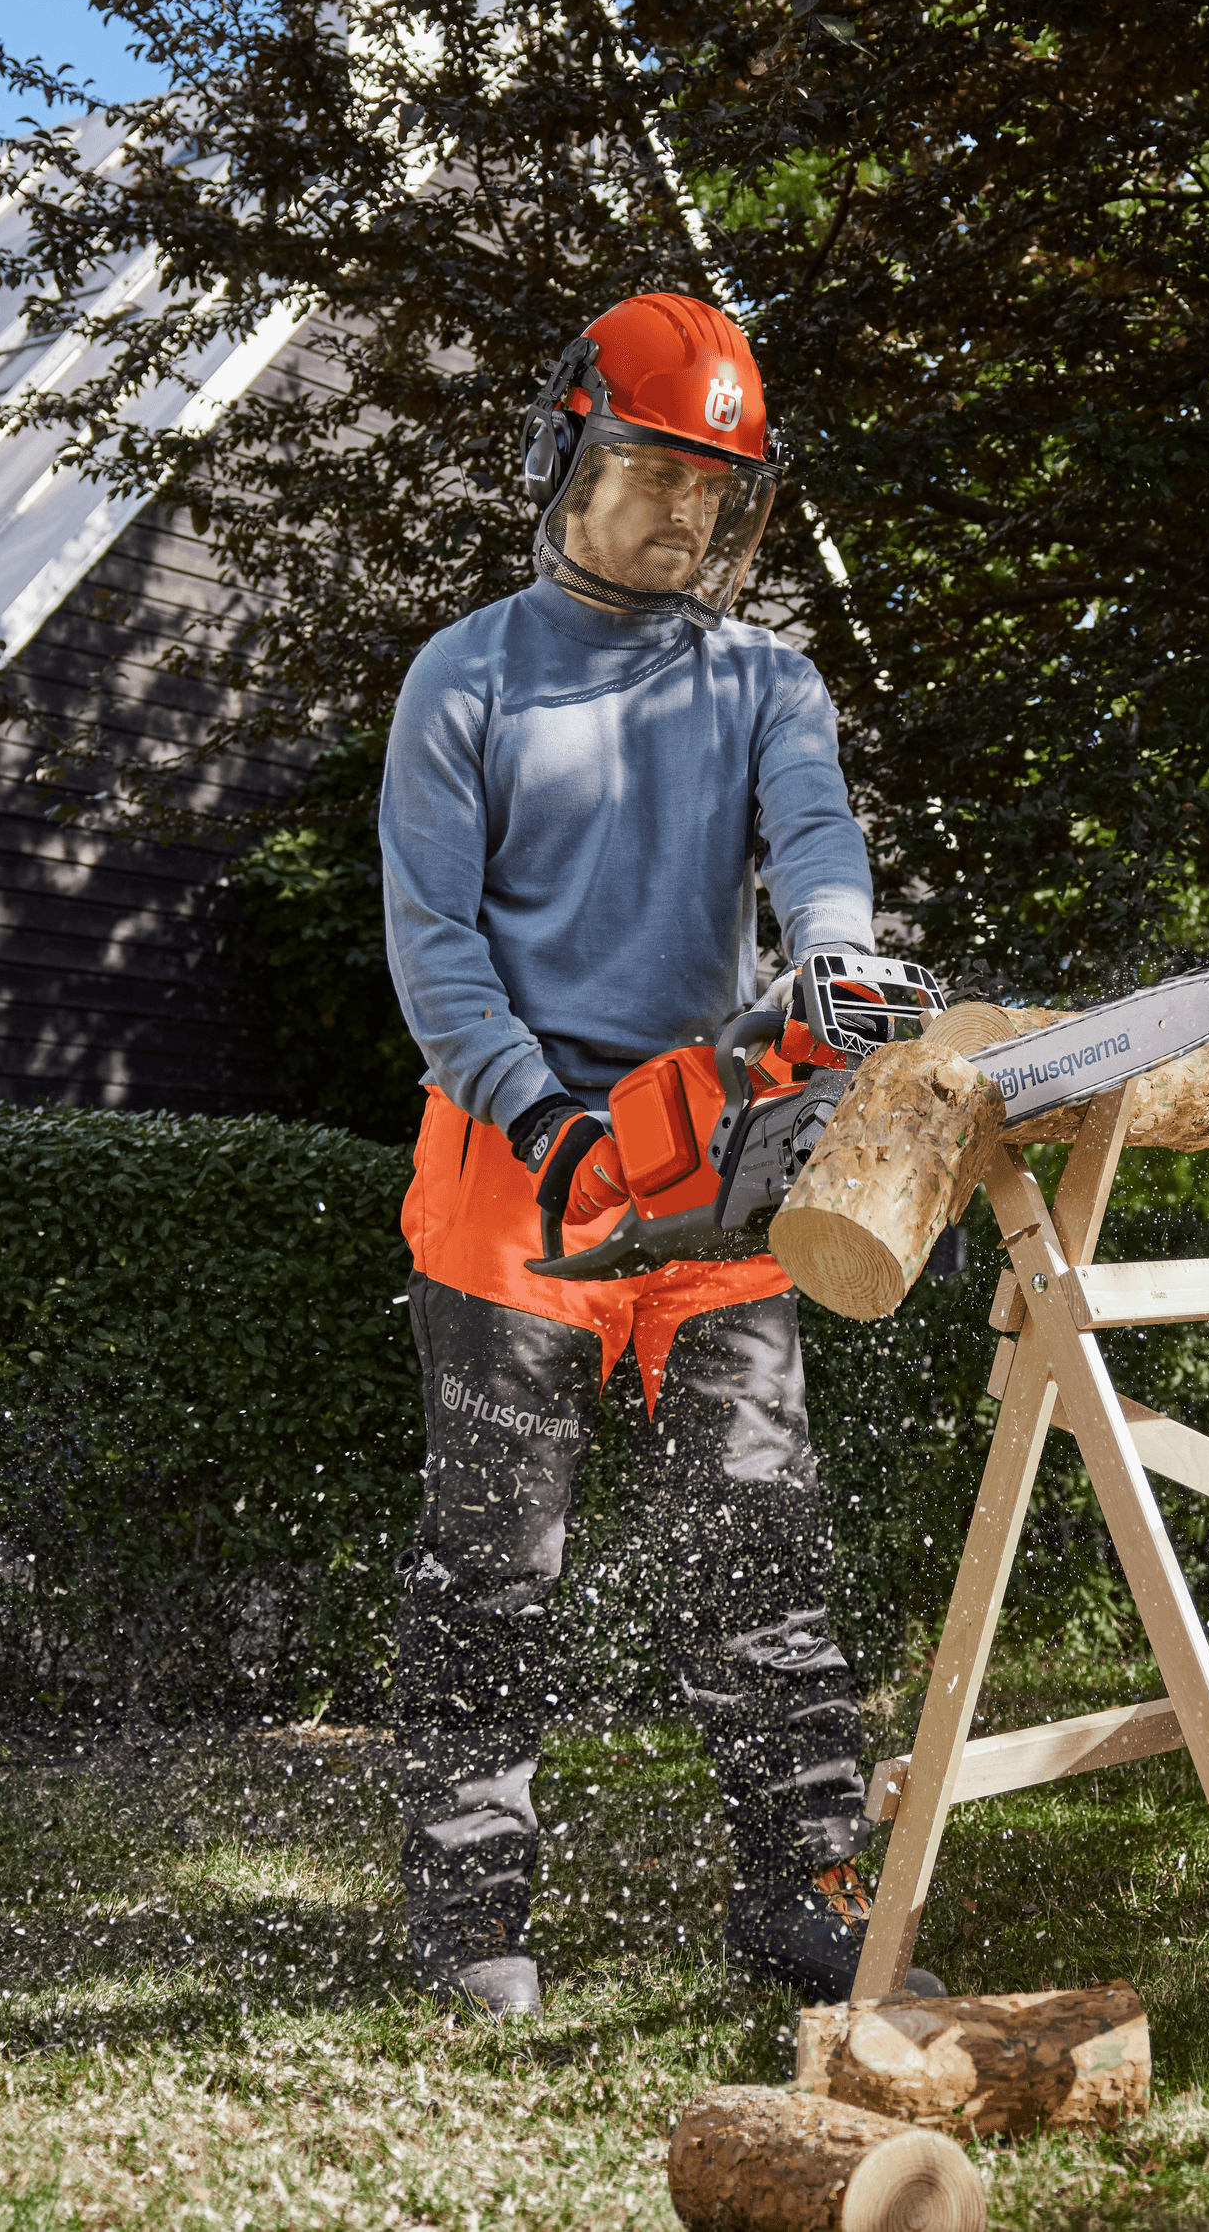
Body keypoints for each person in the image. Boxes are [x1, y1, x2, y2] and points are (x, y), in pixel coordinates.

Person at [376, 292, 929, 2018]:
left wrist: (836, 962)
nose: (685, 516)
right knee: (493, 1563)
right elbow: (434, 941)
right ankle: (470, 1914)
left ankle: (807, 1887)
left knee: (759, 1539)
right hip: (507, 1172)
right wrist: (541, 1113)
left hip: (712, 1163)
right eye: (652, 473)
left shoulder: (766, 677)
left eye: (716, 489)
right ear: (565, 453)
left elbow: (818, 842)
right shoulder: (466, 675)